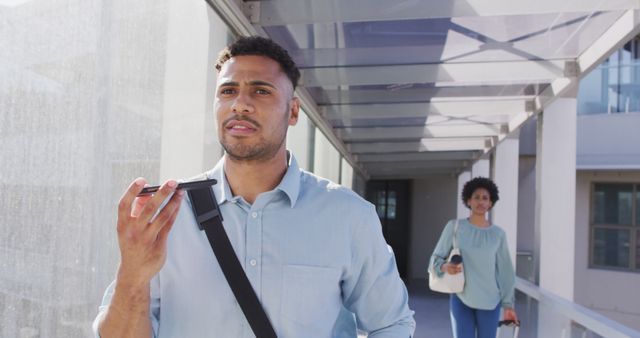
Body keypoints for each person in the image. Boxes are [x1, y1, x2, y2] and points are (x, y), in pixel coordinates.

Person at [93, 36, 415, 338]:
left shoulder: (347, 216)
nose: (240, 104)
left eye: (261, 91)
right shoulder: (166, 217)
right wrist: (132, 277)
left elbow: (392, 324)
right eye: (228, 91)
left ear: (292, 112)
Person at [429, 177, 517, 338]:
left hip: (491, 302)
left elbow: (505, 272)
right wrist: (444, 266)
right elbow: (435, 259)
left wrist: (508, 305)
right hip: (461, 298)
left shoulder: (498, 235)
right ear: (468, 201)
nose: (481, 202)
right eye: (476, 197)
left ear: (491, 203)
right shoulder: (454, 227)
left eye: (485, 198)